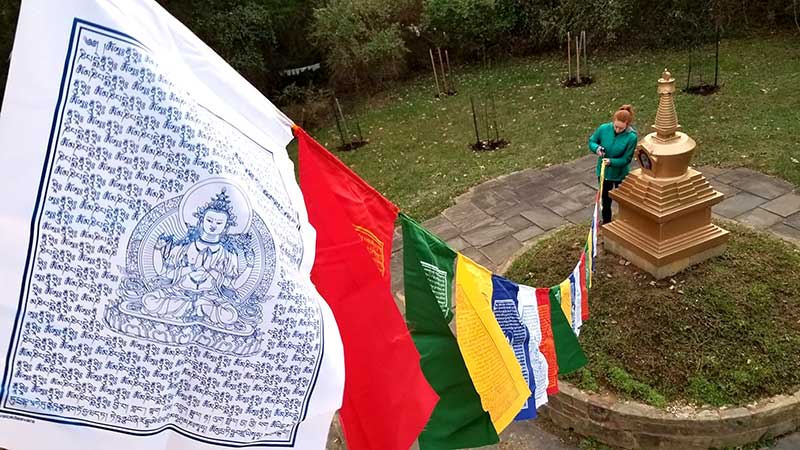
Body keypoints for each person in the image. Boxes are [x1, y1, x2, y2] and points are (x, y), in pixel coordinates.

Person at [587, 104, 637, 224]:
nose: (617, 130)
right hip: (604, 173)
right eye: (616, 127)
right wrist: (596, 148)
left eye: (621, 128)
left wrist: (611, 162)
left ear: (627, 125)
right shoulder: (603, 128)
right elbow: (592, 141)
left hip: (620, 174)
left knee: (624, 200)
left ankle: (625, 222)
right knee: (606, 200)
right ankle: (607, 223)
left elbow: (626, 159)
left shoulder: (631, 137)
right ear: (613, 121)